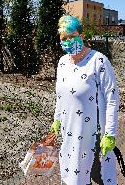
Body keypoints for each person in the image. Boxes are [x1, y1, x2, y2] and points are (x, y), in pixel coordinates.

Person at [50, 15, 120, 185]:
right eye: (63, 38)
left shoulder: (98, 61)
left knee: (98, 175)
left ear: (81, 36)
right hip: (69, 132)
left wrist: (110, 133)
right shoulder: (62, 62)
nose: (67, 41)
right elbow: (60, 95)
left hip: (92, 135)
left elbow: (112, 97)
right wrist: (57, 119)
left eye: (71, 36)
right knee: (73, 174)